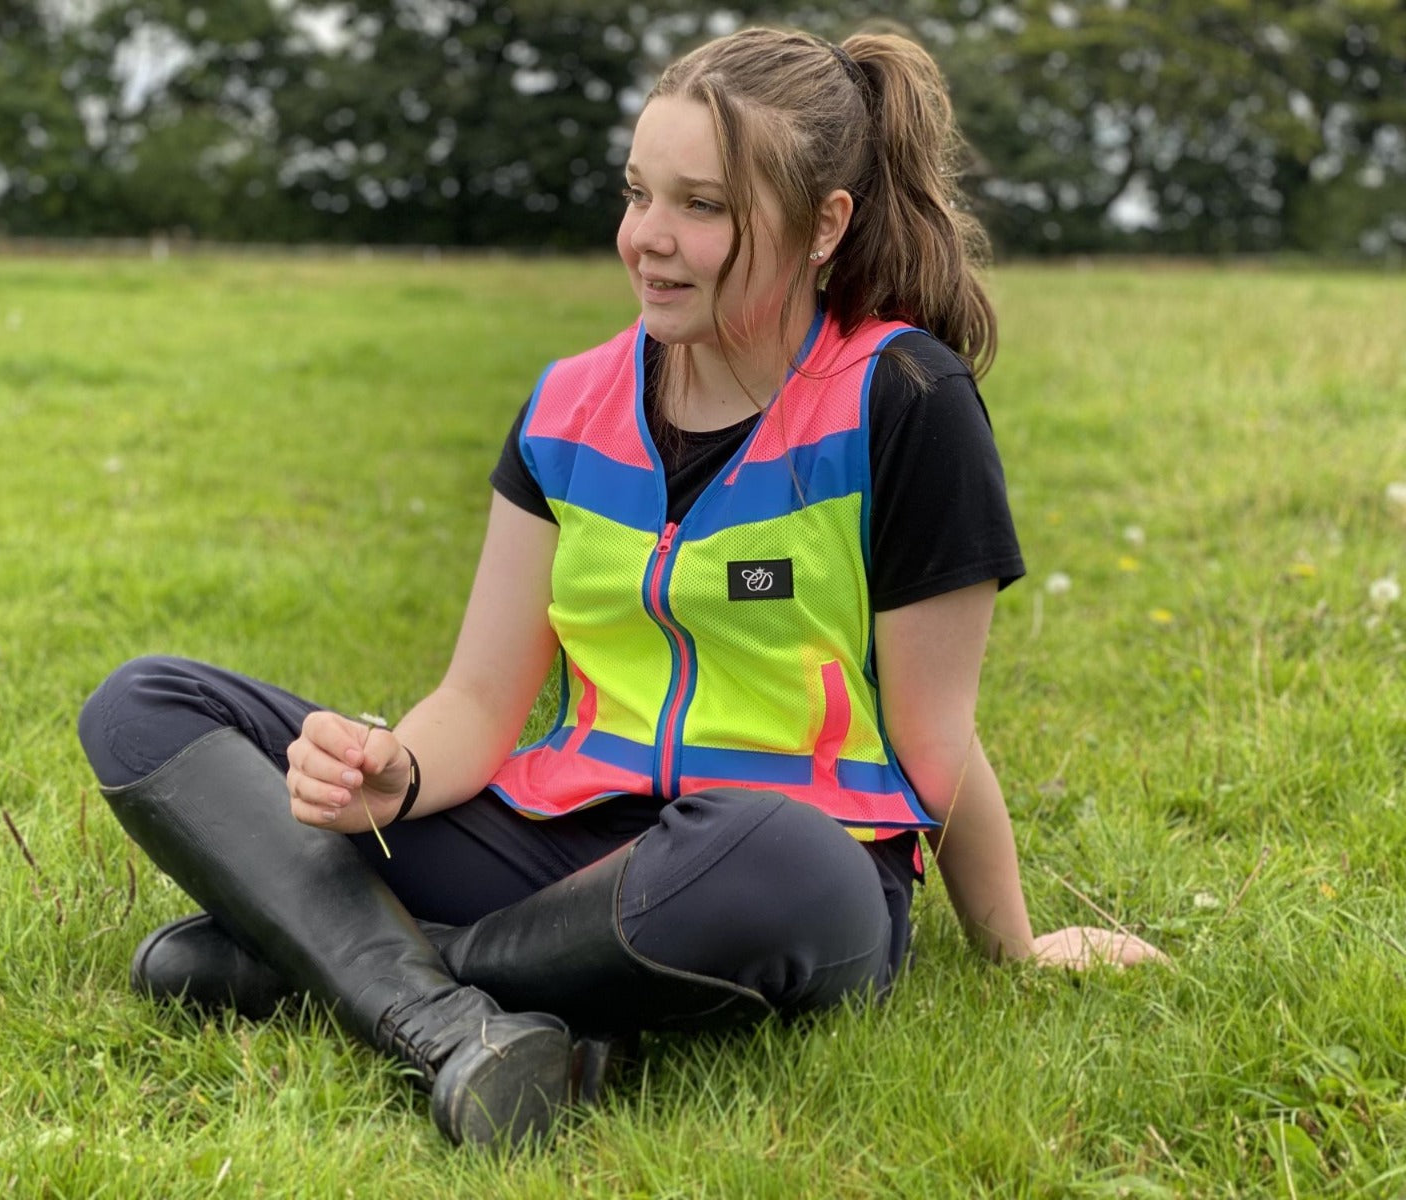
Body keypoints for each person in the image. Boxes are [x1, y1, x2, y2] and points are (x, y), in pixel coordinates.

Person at [77, 25, 1163, 1149]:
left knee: (777, 849)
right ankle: (449, 1022)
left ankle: (331, 966)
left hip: (781, 870)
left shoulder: (904, 401)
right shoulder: (566, 404)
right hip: (559, 838)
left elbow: (933, 740)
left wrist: (1014, 944)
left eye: (702, 206)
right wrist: (394, 773)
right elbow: (482, 703)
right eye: (639, 193)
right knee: (144, 703)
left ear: (823, 224)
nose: (648, 239)